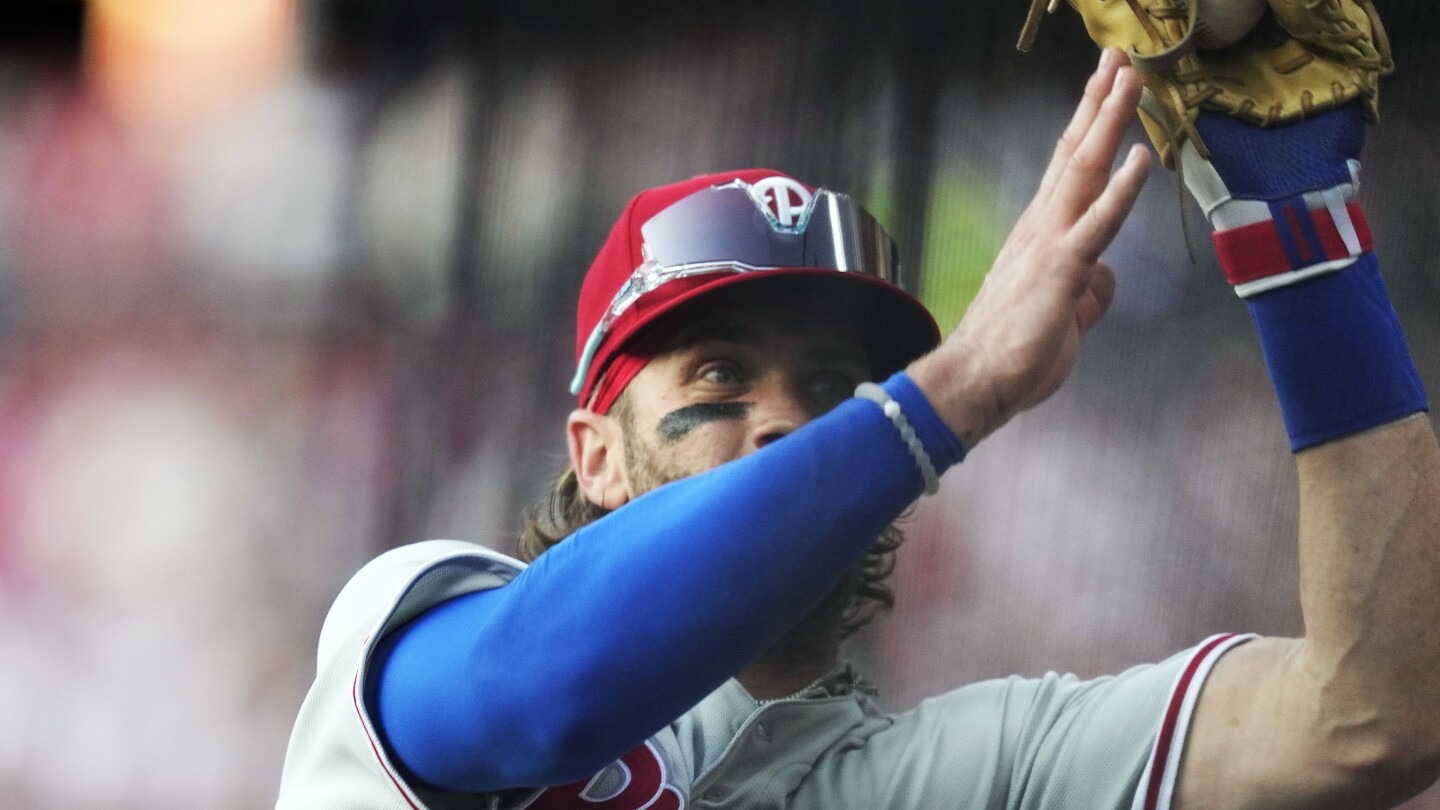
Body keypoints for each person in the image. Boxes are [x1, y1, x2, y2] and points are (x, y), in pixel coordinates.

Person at [276, 50, 1440, 809]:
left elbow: (1379, 713)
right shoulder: (414, 624)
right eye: (720, 373)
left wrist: (1299, 229)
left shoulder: (966, 772)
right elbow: (551, 694)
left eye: (833, 386)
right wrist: (957, 385)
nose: (784, 421)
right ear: (594, 453)